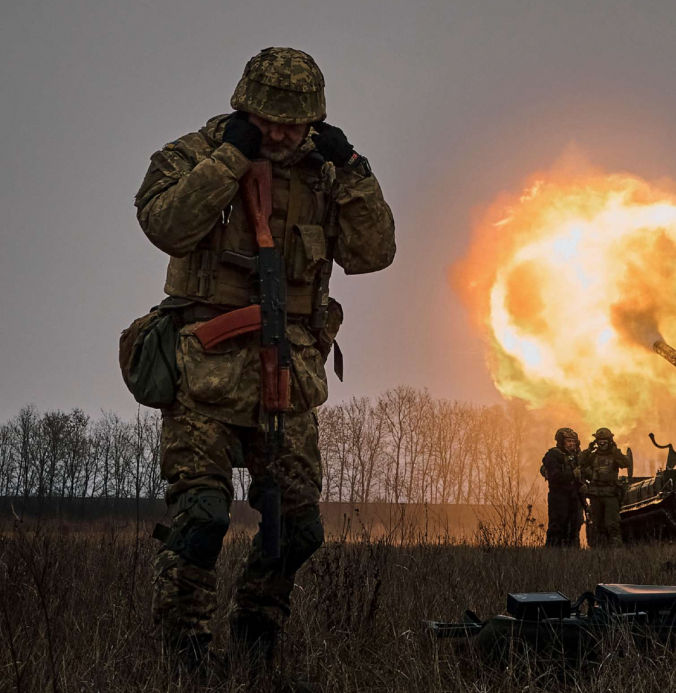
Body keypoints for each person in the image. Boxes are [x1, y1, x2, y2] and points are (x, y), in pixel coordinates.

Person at [134, 47, 396, 667]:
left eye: (295, 123)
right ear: (245, 108)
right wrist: (230, 158)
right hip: (205, 375)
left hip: (290, 374)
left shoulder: (327, 172)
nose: (282, 133)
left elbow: (373, 252)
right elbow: (165, 225)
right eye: (270, 120)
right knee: (200, 520)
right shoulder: (197, 153)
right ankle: (185, 655)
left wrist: (355, 168)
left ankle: (255, 637)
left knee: (299, 529)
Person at [578, 428, 632, 547]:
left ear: (610, 441)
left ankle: (616, 551)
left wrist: (615, 450)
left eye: (605, 441)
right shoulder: (592, 456)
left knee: (612, 524)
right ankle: (600, 551)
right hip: (595, 494)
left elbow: (626, 463)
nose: (602, 444)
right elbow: (579, 462)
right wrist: (588, 450)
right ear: (596, 442)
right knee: (597, 525)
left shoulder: (614, 455)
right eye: (600, 441)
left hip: (611, 495)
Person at [540, 428, 584, 547]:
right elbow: (554, 477)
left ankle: (573, 552)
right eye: (569, 441)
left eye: (573, 441)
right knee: (558, 526)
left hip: (574, 496)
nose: (572, 444)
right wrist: (572, 474)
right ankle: (553, 553)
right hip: (559, 497)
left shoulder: (576, 456)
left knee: (575, 525)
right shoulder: (553, 455)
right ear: (561, 441)